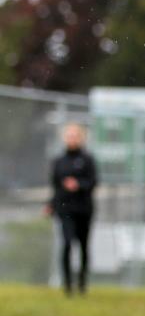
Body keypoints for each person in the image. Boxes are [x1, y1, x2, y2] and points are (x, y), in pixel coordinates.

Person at [47, 122, 98, 295]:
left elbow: (93, 182)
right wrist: (50, 205)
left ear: (81, 138)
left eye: (75, 135)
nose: (72, 139)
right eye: (69, 135)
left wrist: (78, 185)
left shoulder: (87, 160)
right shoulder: (59, 161)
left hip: (83, 209)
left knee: (83, 246)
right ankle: (67, 285)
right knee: (67, 243)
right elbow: (55, 186)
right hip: (65, 209)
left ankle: (82, 284)